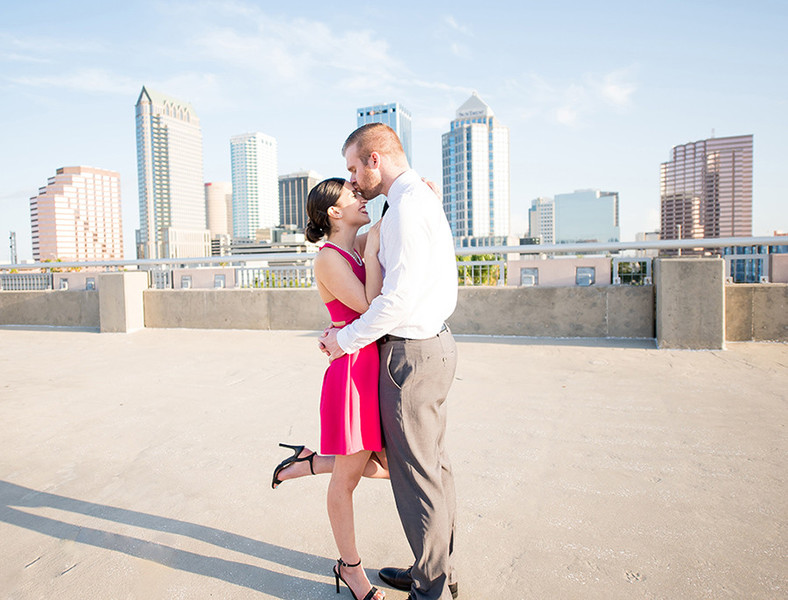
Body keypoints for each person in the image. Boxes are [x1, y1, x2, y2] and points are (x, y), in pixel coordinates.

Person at [320, 123, 460, 600]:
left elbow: (393, 302)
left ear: (375, 159)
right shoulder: (415, 200)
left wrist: (346, 339)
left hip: (411, 354)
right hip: (435, 343)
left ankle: (431, 589)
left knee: (417, 477)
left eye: (355, 167)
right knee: (433, 470)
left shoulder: (405, 208)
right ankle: (434, 570)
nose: (354, 179)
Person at [271, 177, 388, 600]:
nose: (363, 197)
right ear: (334, 213)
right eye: (353, 195)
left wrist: (370, 247)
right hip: (352, 373)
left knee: (390, 467)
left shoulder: (353, 250)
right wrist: (372, 248)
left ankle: (310, 461)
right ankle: (352, 569)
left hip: (369, 365)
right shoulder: (328, 258)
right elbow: (372, 303)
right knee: (348, 481)